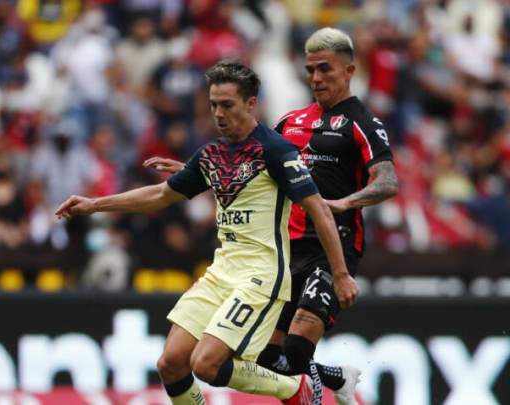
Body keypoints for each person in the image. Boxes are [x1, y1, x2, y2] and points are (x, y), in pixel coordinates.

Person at [56, 60, 358, 405]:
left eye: (227, 104)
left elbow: (318, 210)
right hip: (221, 272)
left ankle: (295, 389)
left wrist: (341, 274)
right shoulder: (211, 155)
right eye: (213, 104)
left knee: (205, 363)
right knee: (170, 364)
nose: (218, 113)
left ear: (250, 103)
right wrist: (95, 205)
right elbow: (159, 194)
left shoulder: (276, 151)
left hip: (260, 276)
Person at [144, 27, 399, 405]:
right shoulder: (291, 121)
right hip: (283, 249)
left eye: (325, 69)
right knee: (264, 358)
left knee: (295, 354)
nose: (315, 77)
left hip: (332, 248)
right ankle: (333, 377)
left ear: (348, 71)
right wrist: (193, 169)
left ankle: (322, 380)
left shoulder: (362, 122)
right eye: (310, 69)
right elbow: (251, 167)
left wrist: (347, 202)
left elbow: (388, 181)